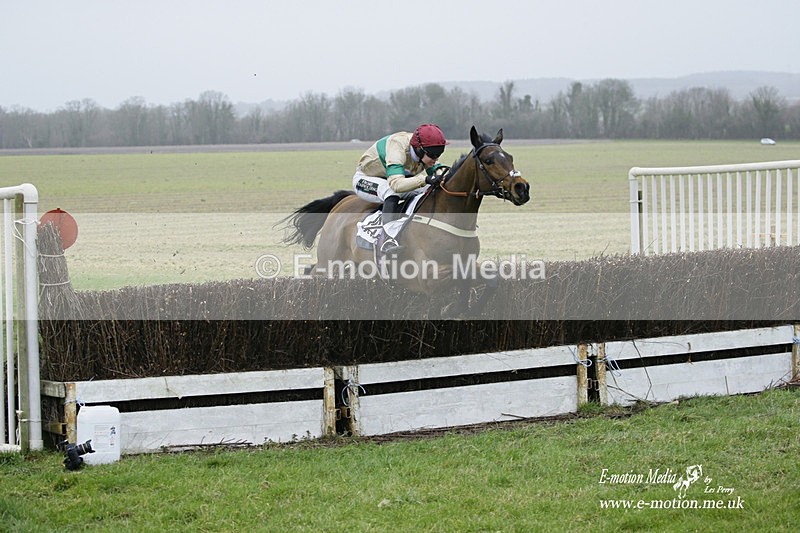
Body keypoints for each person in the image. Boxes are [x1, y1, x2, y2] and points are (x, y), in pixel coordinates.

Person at [352, 123, 448, 255]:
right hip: (367, 179)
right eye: (433, 155)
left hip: (393, 177)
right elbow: (396, 185)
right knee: (391, 192)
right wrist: (425, 179)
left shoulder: (425, 149)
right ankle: (388, 239)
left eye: (439, 154)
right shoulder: (397, 148)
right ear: (420, 150)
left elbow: (438, 171)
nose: (436, 159)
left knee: (430, 189)